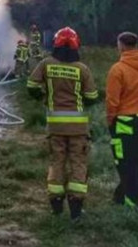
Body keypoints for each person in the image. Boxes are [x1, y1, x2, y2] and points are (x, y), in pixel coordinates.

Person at [26, 27, 99, 219]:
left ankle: (56, 207)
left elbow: (31, 86)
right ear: (76, 45)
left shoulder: (46, 64)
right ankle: (75, 210)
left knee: (56, 162)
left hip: (55, 126)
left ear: (56, 44)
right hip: (78, 128)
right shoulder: (82, 69)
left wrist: (45, 96)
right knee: (78, 163)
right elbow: (92, 96)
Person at [105, 31, 138, 209]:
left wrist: (110, 121)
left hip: (124, 122)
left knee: (123, 161)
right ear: (136, 44)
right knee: (137, 160)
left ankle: (132, 199)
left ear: (120, 45)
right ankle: (121, 196)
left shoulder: (117, 69)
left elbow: (112, 101)